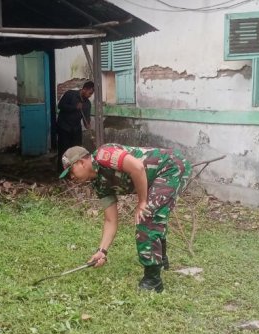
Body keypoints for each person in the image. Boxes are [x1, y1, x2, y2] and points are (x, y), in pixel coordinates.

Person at [60, 144, 192, 293]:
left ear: (81, 162)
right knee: (152, 215)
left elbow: (137, 167)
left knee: (146, 216)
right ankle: (160, 259)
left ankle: (153, 280)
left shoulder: (105, 155)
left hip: (171, 167)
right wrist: (102, 251)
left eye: (70, 171)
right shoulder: (99, 184)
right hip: (155, 177)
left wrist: (142, 202)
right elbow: (110, 220)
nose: (71, 178)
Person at [55, 81, 94, 172]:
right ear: (84, 89)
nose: (90, 95)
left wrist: (87, 123)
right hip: (64, 127)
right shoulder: (70, 94)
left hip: (76, 129)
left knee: (77, 151)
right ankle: (61, 172)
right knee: (63, 151)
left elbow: (86, 118)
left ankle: (74, 172)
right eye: (90, 93)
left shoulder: (87, 104)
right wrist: (74, 107)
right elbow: (60, 106)